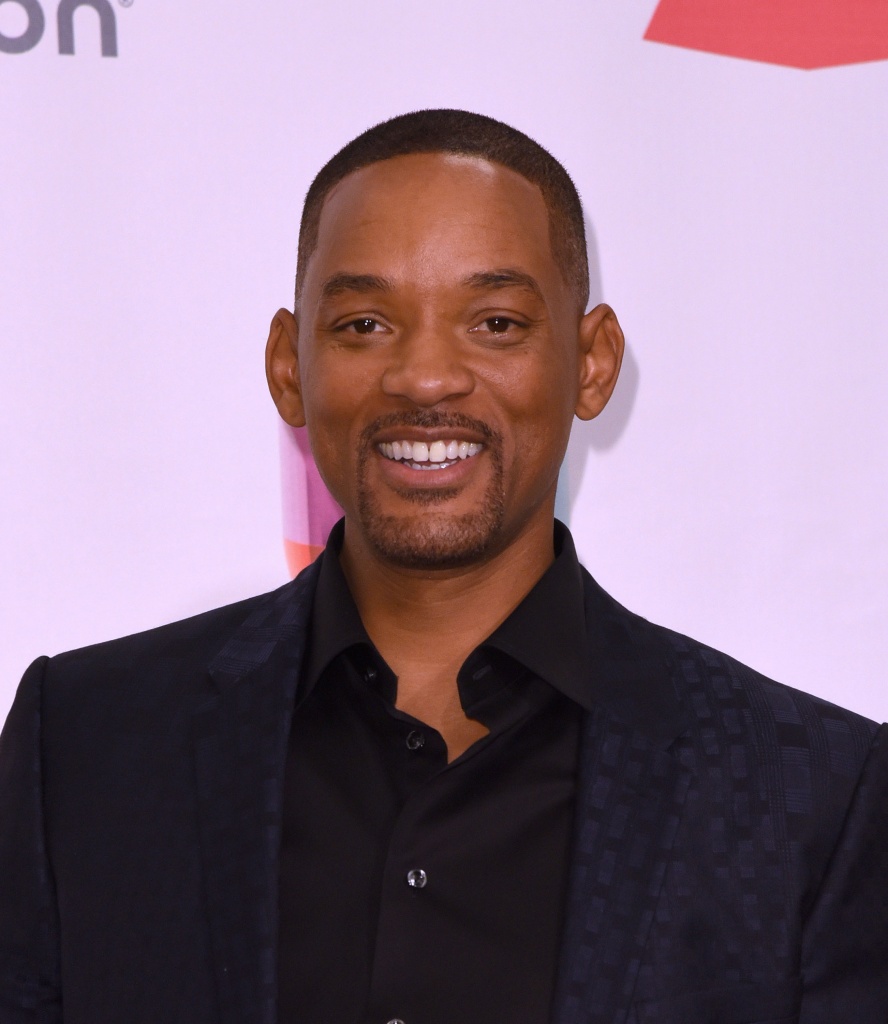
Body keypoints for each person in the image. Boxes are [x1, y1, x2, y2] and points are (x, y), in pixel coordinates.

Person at [1, 109, 886, 1024]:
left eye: (495, 322)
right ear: (288, 366)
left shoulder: (812, 795)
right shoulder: (87, 742)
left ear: (591, 364)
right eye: (365, 323)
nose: (425, 377)